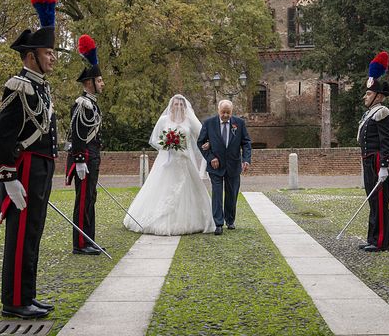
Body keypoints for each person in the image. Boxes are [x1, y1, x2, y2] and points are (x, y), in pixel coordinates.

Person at [0, 0, 59, 319]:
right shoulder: (19, 86)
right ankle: (14, 300)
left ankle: (26, 295)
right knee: (20, 235)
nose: (53, 58)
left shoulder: (40, 88)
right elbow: (0, 136)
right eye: (48, 53)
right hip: (25, 170)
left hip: (40, 170)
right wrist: (8, 178)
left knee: (33, 233)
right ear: (31, 55)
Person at [124, 95, 215, 235]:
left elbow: (201, 135)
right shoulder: (163, 120)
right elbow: (155, 139)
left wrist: (207, 143)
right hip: (167, 160)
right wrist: (167, 144)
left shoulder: (189, 120)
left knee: (189, 189)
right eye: (176, 104)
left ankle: (193, 220)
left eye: (180, 105)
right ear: (171, 106)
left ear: (184, 107)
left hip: (184, 160)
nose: (178, 107)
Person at [65, 35, 105, 255]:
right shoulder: (82, 104)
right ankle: (80, 244)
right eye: (99, 81)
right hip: (85, 158)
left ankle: (89, 239)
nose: (102, 84)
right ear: (89, 83)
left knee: (90, 198)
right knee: (82, 201)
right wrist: (79, 160)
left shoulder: (92, 104)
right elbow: (78, 135)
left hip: (92, 156)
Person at [357, 51, 389, 252]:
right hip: (368, 161)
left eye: (369, 94)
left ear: (379, 96)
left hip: (377, 161)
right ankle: (372, 238)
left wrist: (384, 167)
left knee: (380, 202)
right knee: (372, 200)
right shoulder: (370, 113)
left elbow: (386, 142)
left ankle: (381, 241)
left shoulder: (382, 112)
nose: (365, 96)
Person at [197, 100, 252, 235]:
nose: (226, 115)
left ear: (232, 112)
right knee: (217, 194)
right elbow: (200, 142)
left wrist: (246, 160)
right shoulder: (209, 123)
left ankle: (230, 220)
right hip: (215, 166)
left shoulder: (239, 123)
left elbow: (246, 143)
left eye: (228, 112)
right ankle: (218, 223)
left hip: (233, 165)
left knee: (231, 194)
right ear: (218, 110)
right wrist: (211, 158)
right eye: (223, 112)